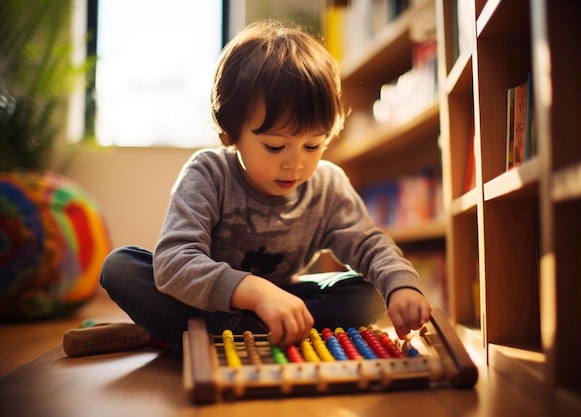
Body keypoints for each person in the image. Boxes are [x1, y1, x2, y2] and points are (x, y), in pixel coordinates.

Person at [100, 21, 431, 353]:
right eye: (275, 147)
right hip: (211, 301)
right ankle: (236, 326)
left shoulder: (327, 185)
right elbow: (174, 263)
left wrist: (401, 287)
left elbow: (369, 245)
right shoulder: (208, 174)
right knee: (120, 268)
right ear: (231, 133)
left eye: (313, 146)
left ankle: (203, 329)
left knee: (371, 290)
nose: (295, 164)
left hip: (284, 298)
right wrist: (256, 292)